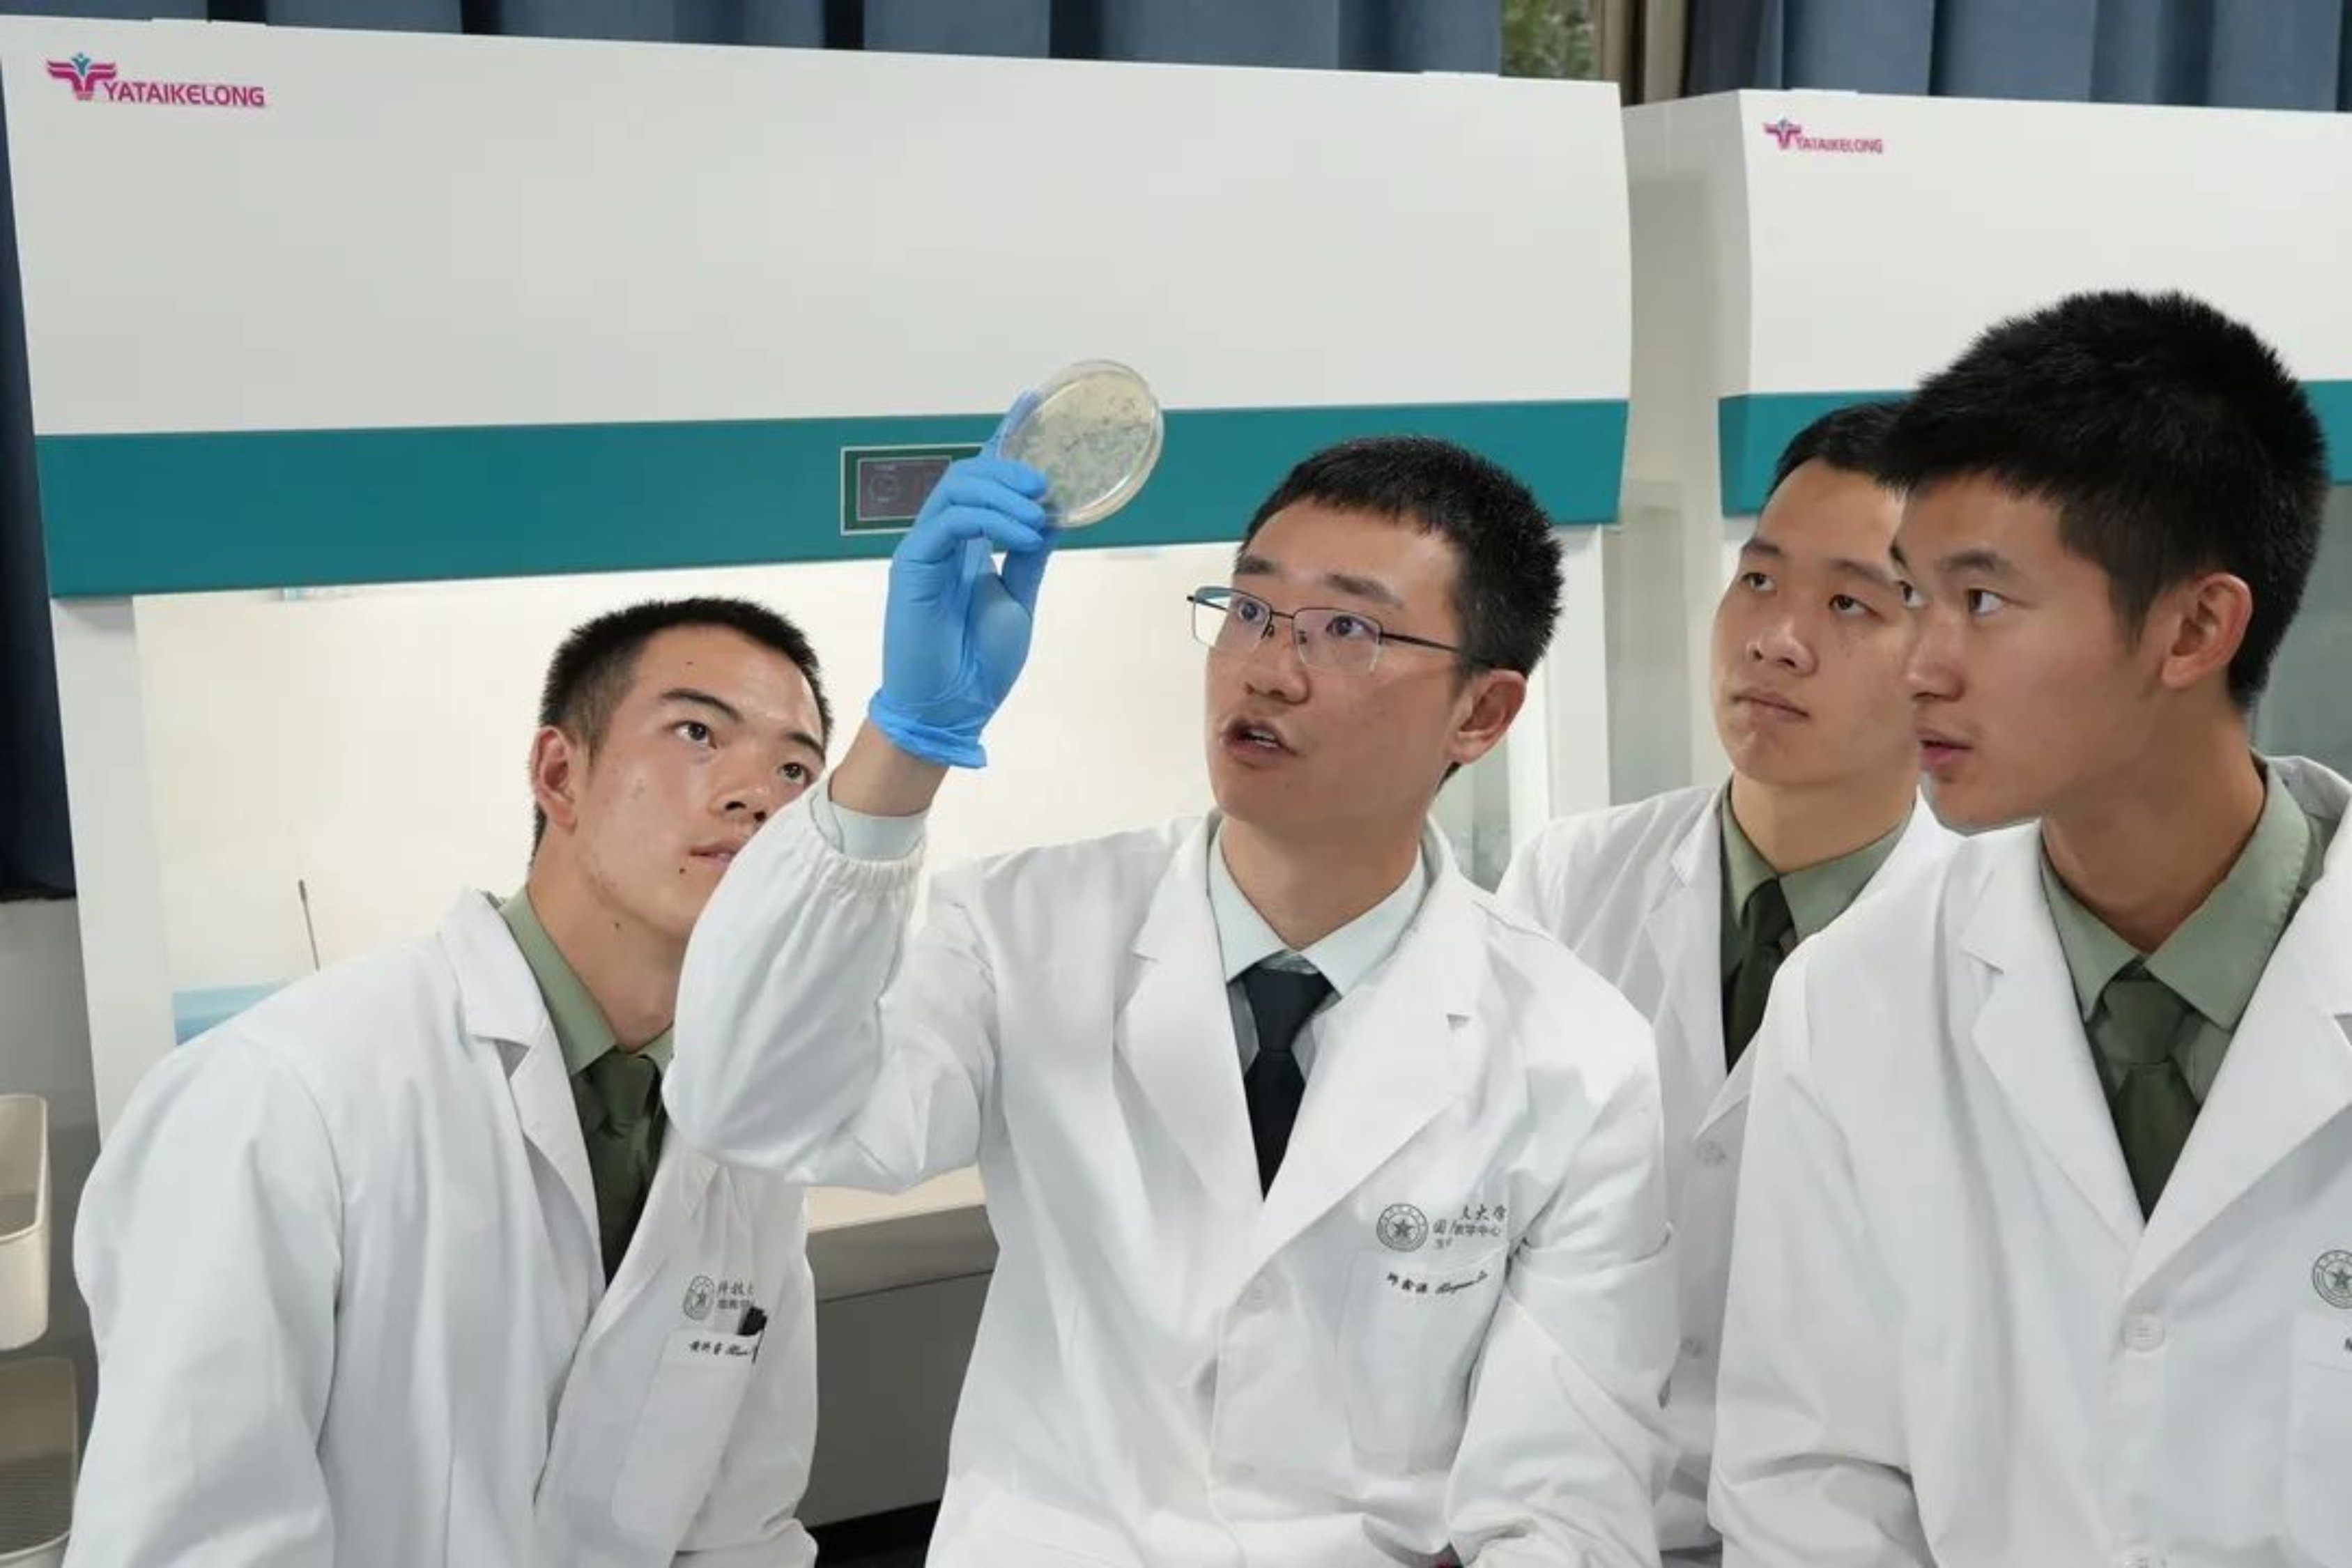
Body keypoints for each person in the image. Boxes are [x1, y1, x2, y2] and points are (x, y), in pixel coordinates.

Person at [668, 435, 1677, 1565]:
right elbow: (755, 1106)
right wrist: (906, 740)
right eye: (1249, 610)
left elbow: (1565, 1503)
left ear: (1482, 713)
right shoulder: (1021, 928)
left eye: (1346, 629)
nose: (1268, 669)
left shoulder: (1575, 1052)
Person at [1710, 290, 2351, 1567]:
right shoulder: (1854, 999)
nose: (1920, 663)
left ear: (2194, 627)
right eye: (1914, 593)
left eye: (1984, 601)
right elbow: (1808, 1483)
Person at [72, 598, 831, 1567]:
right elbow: (196, 1545)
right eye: (698, 733)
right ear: (560, 774)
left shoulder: (753, 1133)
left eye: (795, 770)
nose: (756, 795)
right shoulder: (281, 1099)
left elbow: (743, 1529)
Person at [1498, 400, 1956, 1560]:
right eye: (1758, 579)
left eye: (1851, 603)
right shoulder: (1568, 881)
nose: (1776, 639)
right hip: (1571, 1520)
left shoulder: (1998, 949)